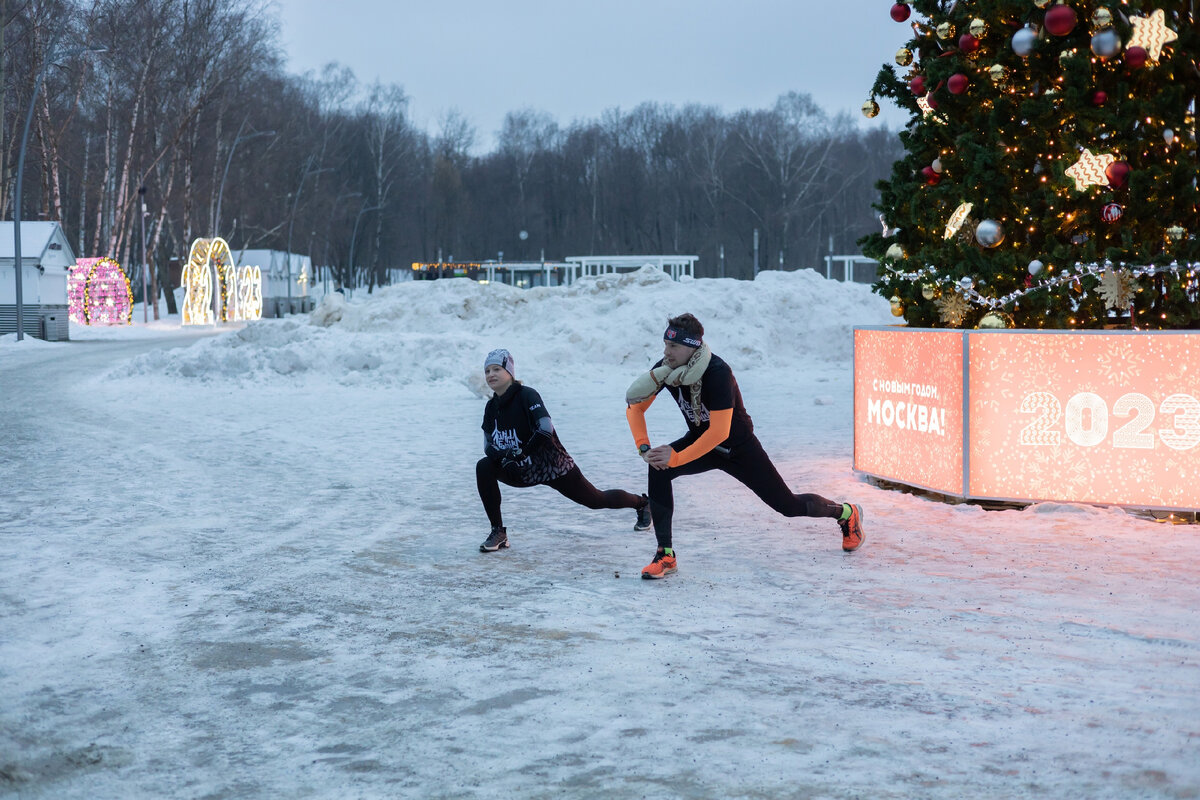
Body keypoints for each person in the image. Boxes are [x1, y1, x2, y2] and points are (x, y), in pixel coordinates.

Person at [624, 313, 865, 579]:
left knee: (788, 506)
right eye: (665, 345)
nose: (666, 353)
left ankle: (846, 512)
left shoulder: (717, 372)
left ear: (692, 347)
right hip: (700, 441)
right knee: (659, 468)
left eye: (673, 347)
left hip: (737, 448)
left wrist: (677, 457)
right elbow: (635, 408)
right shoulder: (667, 369)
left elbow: (719, 432)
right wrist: (645, 448)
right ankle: (665, 554)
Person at [477, 348, 652, 551]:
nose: (491, 375)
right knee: (484, 466)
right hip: (520, 468)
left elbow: (545, 429)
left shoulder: (527, 395)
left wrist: (521, 453)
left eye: (497, 369)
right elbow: (488, 445)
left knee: (595, 499)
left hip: (552, 466)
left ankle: (642, 503)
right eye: (487, 371)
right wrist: (506, 458)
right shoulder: (491, 407)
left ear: (510, 372)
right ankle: (498, 532)